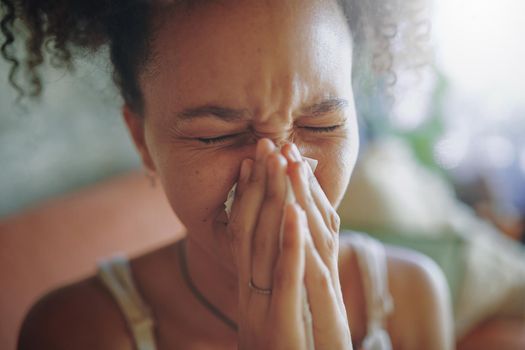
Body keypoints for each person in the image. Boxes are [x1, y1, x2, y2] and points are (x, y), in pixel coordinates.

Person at [1, 0, 453, 349]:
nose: (282, 169)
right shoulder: (76, 330)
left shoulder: (410, 298)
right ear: (143, 142)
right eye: (217, 135)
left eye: (322, 126)